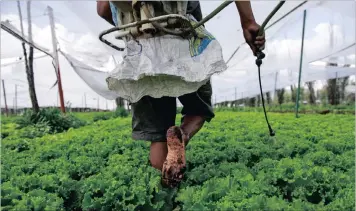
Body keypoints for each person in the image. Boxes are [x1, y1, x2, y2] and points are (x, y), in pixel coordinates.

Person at [97, 1, 265, 187]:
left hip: (143, 55)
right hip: (185, 48)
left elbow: (103, 9)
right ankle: (181, 135)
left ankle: (164, 196)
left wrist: (140, 25)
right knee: (198, 111)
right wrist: (248, 21)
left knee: (157, 136)